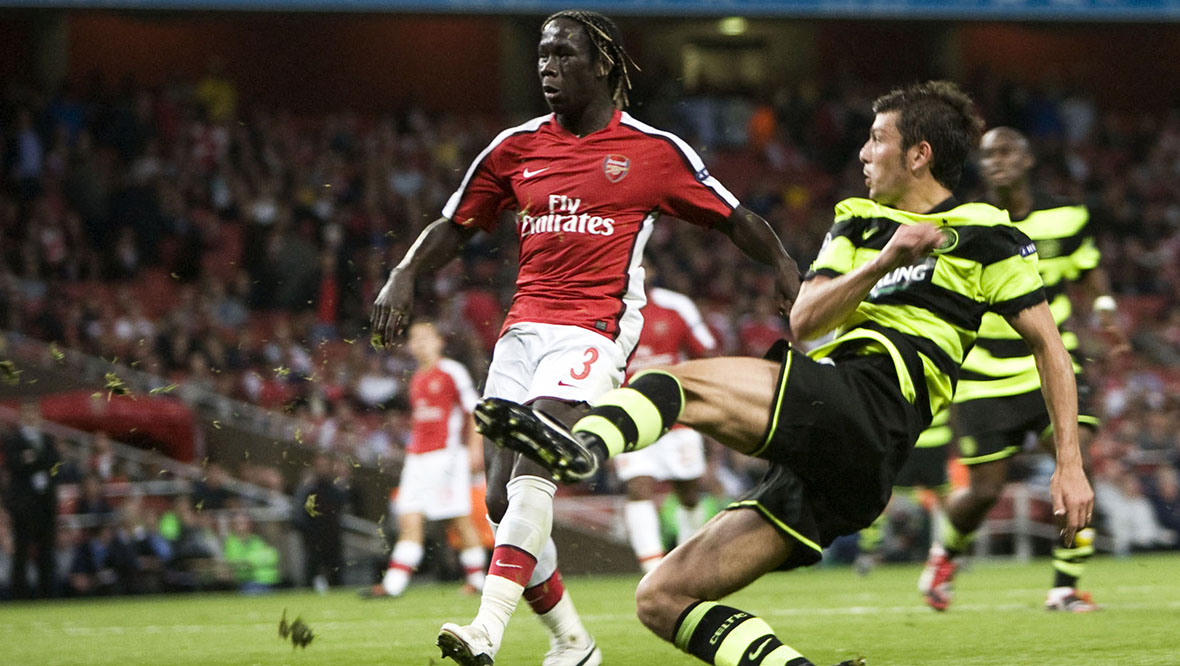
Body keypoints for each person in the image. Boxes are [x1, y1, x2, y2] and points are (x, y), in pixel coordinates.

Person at [475, 81, 1094, 666]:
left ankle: (578, 448)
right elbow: (805, 321)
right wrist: (885, 260)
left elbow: (1050, 349)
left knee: (674, 385)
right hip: (837, 449)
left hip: (876, 404)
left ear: (919, 154)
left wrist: (1069, 464)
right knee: (661, 598)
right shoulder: (858, 221)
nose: (863, 152)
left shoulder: (987, 232)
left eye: (878, 139)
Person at [370, 10, 798, 666]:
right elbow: (454, 224)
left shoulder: (654, 151)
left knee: (537, 456)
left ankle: (486, 627)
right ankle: (574, 643)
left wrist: (784, 269)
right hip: (522, 333)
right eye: (541, 55)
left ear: (602, 64)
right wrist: (403, 273)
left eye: (563, 55)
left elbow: (733, 217)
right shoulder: (515, 148)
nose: (546, 67)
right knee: (502, 497)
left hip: (594, 331)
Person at [920, 126, 1126, 613]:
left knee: (1081, 461)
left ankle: (1065, 585)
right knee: (985, 492)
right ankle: (945, 552)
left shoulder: (1066, 215)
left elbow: (1088, 265)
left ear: (1029, 158)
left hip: (1054, 359)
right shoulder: (964, 221)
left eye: (1008, 150)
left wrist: (1104, 306)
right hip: (984, 373)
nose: (997, 160)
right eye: (988, 154)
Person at [364, 321, 488, 598]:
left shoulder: (451, 371)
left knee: (457, 519)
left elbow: (475, 410)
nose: (418, 343)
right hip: (417, 458)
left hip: (446, 456)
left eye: (424, 338)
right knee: (409, 517)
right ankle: (393, 585)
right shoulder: (417, 377)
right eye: (413, 339)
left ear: (438, 342)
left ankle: (477, 580)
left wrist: (475, 449)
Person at [615, 271, 718, 572]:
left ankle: (686, 559)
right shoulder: (609, 313)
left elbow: (705, 352)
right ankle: (652, 567)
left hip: (676, 414)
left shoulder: (674, 310)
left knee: (688, 490)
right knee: (638, 486)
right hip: (629, 414)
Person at [3, 401, 61, 599]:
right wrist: (38, 460)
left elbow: (54, 463)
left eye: (33, 412)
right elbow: (15, 464)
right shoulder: (14, 439)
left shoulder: (47, 438)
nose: (30, 416)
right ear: (21, 416)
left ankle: (47, 594)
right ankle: (19, 595)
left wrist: (32, 458)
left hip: (46, 504)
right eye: (27, 412)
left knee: (46, 551)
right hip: (23, 505)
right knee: (21, 551)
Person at [293, 453, 349, 593]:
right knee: (311, 571)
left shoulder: (335, 490)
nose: (322, 468)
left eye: (325, 465)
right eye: (320, 466)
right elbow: (300, 513)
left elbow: (341, 510)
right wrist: (306, 532)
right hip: (314, 538)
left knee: (336, 572)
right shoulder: (308, 490)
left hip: (332, 537)